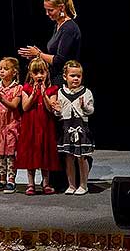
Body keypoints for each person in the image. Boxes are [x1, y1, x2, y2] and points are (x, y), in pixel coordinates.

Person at [15, 58, 60, 195]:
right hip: (30, 126)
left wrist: (44, 93)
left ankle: (46, 183)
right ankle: (31, 184)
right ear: (31, 74)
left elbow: (50, 108)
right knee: (31, 153)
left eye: (42, 72)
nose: (39, 76)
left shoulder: (53, 89)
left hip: (45, 125)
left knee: (45, 152)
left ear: (47, 72)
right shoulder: (26, 88)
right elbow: (25, 106)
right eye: (36, 73)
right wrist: (34, 93)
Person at [18, 0, 81, 87]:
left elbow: (59, 61)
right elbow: (54, 55)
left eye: (50, 10)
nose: (47, 13)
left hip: (65, 81)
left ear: (61, 8)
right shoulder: (58, 25)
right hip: (55, 77)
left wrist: (39, 54)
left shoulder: (69, 29)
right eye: (46, 10)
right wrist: (37, 55)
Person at [53, 60, 94, 195]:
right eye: (72, 76)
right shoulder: (60, 92)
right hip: (66, 127)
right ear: (65, 77)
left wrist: (84, 106)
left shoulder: (86, 92)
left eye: (78, 76)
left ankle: (83, 184)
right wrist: (57, 110)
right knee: (69, 157)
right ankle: (71, 184)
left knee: (81, 157)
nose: (76, 78)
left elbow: (90, 110)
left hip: (80, 128)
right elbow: (58, 112)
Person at [0, 57, 22, 194]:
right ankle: (2, 180)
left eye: (6, 69)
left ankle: (11, 181)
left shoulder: (18, 88)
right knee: (0, 153)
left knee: (10, 154)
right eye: (0, 68)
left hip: (12, 124)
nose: (2, 71)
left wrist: (1, 98)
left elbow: (14, 105)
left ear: (14, 72)